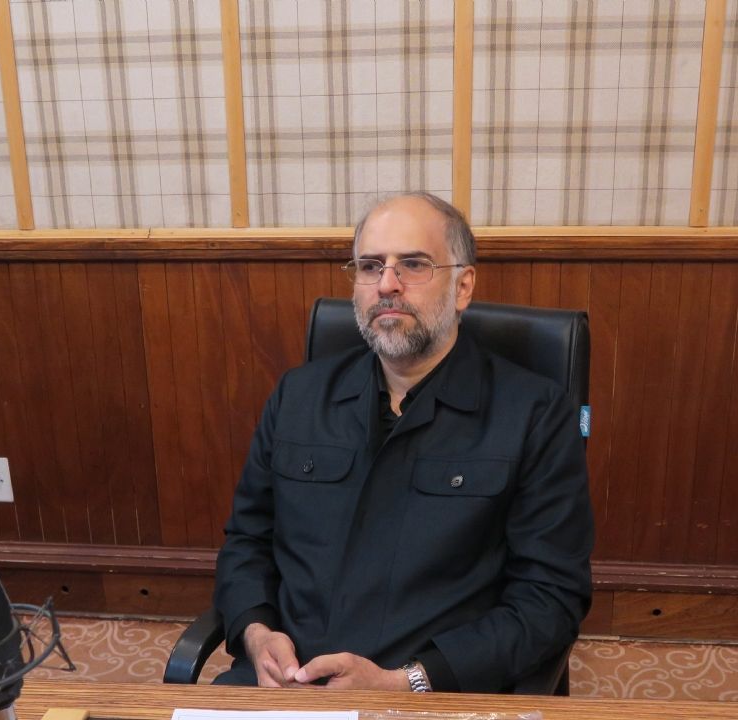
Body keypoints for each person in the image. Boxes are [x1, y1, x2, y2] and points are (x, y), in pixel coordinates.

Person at [213, 192, 594, 693]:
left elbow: (550, 598)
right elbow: (247, 540)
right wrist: (256, 632)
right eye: (370, 266)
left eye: (413, 264)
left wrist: (407, 681)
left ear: (463, 286)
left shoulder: (534, 414)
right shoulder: (298, 396)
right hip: (285, 687)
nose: (387, 284)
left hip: (435, 693)